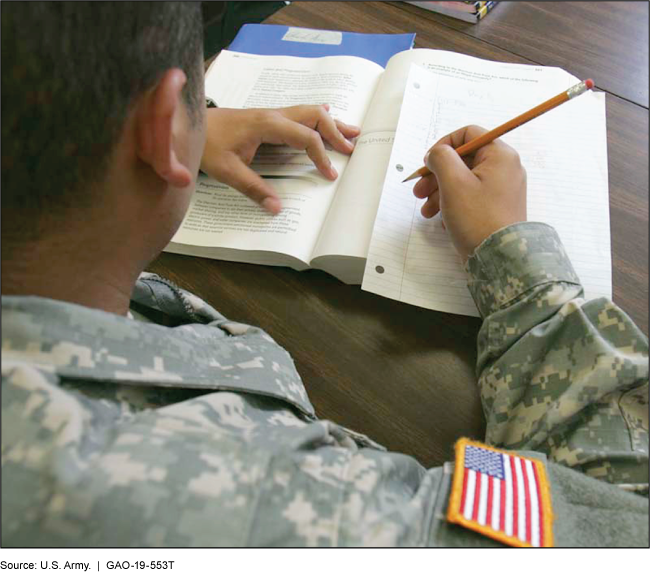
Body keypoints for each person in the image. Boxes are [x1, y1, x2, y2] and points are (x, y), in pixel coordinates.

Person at [1, 1, 647, 548]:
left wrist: (188, 126)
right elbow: (617, 516)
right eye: (203, 79)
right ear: (160, 128)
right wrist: (516, 262)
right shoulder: (263, 502)